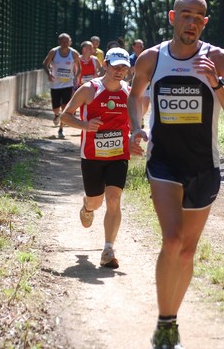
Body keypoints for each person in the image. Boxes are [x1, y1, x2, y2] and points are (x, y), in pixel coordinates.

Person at [128, 0, 224, 349]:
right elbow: (135, 95)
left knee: (189, 250)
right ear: (172, 17)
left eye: (198, 17)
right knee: (172, 239)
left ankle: (172, 321)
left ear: (205, 22)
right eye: (185, 15)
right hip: (163, 162)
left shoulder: (219, 59)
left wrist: (216, 85)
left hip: (204, 167)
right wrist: (136, 128)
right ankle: (164, 325)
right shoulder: (152, 57)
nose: (191, 22)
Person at [61, 47, 131, 269]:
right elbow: (65, 116)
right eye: (115, 66)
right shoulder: (89, 89)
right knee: (96, 201)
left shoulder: (129, 93)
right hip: (92, 155)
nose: (119, 71)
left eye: (124, 67)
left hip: (118, 155)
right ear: (105, 65)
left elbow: (138, 119)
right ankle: (87, 207)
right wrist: (85, 125)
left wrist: (135, 136)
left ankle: (108, 250)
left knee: (113, 199)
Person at [42, 33, 81, 139]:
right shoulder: (54, 52)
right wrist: (49, 73)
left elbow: (79, 68)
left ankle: (61, 129)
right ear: (59, 42)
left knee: (65, 107)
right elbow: (45, 64)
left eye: (67, 41)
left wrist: (75, 77)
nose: (65, 43)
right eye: (63, 41)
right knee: (56, 108)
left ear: (70, 42)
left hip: (68, 84)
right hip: (55, 84)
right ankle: (56, 115)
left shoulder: (74, 53)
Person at [128, 38, 150, 126]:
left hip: (146, 85)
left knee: (145, 106)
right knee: (135, 104)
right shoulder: (130, 59)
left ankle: (140, 117)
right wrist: (131, 70)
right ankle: (136, 122)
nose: (139, 48)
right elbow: (128, 73)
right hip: (134, 85)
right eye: (137, 46)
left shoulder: (147, 57)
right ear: (133, 47)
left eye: (141, 46)